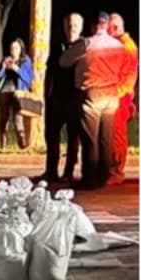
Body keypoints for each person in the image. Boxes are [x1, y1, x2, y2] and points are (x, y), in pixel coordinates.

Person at [60, 15, 138, 188]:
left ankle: (90, 178)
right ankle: (104, 175)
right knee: (106, 137)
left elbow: (64, 61)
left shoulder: (87, 43)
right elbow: (127, 68)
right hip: (111, 94)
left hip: (93, 92)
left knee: (90, 137)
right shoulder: (119, 46)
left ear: (95, 26)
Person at [40, 13, 85, 183]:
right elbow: (49, 71)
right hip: (56, 98)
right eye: (68, 24)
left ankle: (69, 171)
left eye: (74, 25)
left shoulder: (83, 46)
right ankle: (51, 171)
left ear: (80, 27)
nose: (71, 28)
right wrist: (46, 94)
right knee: (52, 136)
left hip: (74, 99)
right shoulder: (57, 46)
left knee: (73, 138)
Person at [108, 13, 138, 185]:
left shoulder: (128, 47)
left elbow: (129, 76)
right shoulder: (121, 45)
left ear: (115, 27)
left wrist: (117, 93)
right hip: (116, 94)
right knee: (112, 134)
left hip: (120, 96)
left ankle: (117, 170)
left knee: (117, 134)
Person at [0, 38, 34, 149]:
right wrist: (3, 67)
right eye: (12, 48)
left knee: (18, 117)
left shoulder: (25, 61)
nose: (14, 50)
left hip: (18, 92)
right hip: (5, 91)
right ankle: (3, 143)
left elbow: (28, 79)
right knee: (4, 117)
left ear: (21, 49)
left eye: (16, 48)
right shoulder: (6, 59)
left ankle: (22, 143)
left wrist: (16, 68)